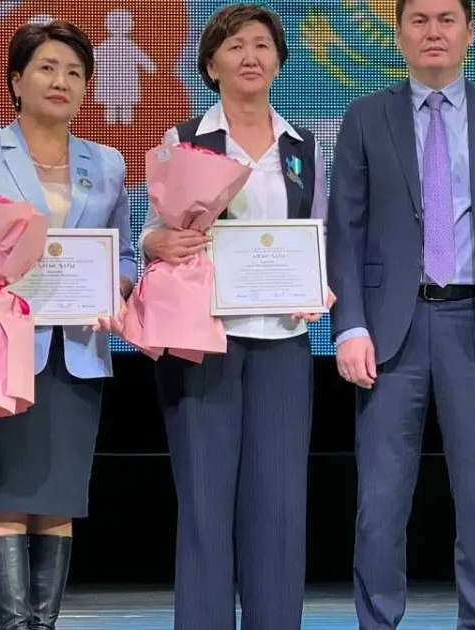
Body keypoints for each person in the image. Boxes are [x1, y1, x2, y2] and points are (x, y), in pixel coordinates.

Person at [326, 0, 475, 626]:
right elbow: (342, 230)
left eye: (446, 19)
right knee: (380, 499)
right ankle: (378, 620)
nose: (433, 31)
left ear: (469, 33)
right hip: (390, 331)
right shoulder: (366, 117)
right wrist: (348, 324)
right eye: (419, 20)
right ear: (398, 35)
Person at [0, 20, 136, 630]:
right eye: (46, 67)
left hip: (77, 354)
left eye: (74, 72)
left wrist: (113, 288)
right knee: (4, 501)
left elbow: (123, 256)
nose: (60, 81)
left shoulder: (109, 163)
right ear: (16, 80)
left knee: (58, 503)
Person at [139, 4, 326, 628]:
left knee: (278, 506)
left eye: (263, 46)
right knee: (206, 506)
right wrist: (151, 244)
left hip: (283, 341)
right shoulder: (184, 140)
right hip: (205, 342)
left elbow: (318, 235)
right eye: (236, 45)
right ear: (211, 63)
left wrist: (317, 284)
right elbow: (150, 231)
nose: (251, 56)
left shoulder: (302, 147)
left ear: (278, 61)